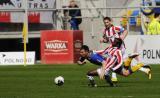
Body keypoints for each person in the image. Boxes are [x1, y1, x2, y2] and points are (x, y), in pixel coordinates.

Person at [78, 39, 151, 87]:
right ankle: (138, 65)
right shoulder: (109, 48)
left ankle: (129, 59)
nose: (113, 42)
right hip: (110, 66)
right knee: (126, 73)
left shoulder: (117, 51)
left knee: (90, 73)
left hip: (111, 66)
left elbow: (119, 62)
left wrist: (111, 69)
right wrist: (94, 51)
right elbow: (103, 51)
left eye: (114, 42)